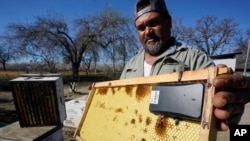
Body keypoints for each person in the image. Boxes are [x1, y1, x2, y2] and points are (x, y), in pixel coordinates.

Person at [120, 0, 250, 131]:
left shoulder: (195, 59)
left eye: (153, 23)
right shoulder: (130, 65)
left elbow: (221, 102)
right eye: (141, 28)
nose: (148, 31)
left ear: (168, 22)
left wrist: (231, 102)